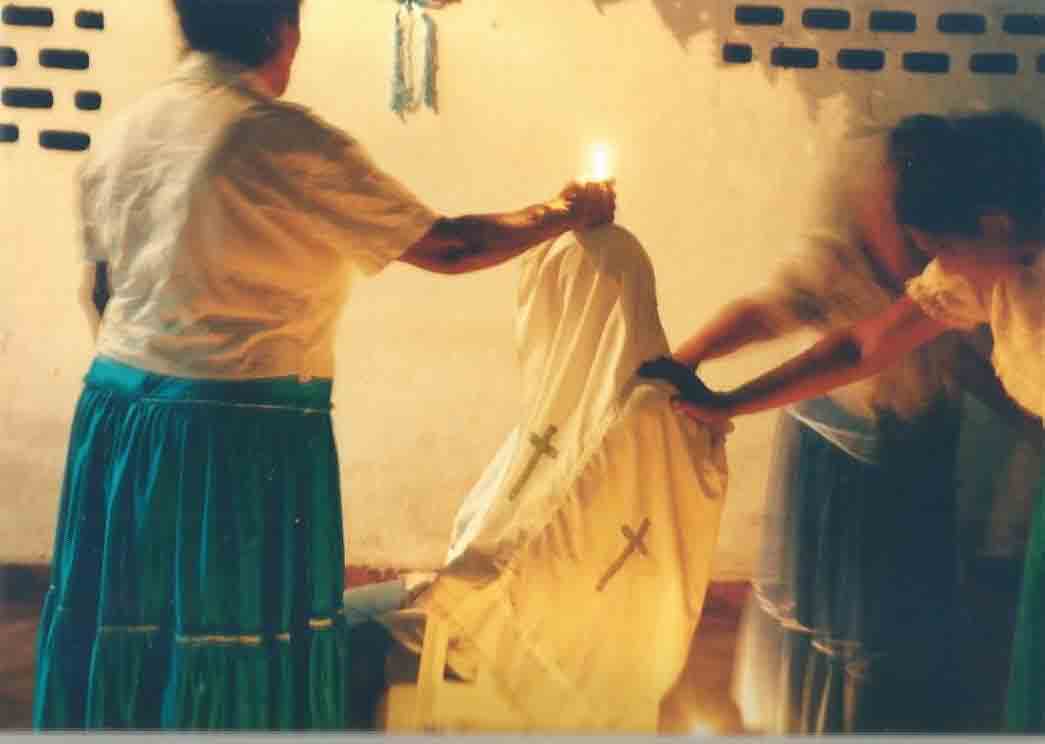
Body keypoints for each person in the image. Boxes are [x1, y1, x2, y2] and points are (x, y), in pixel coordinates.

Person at [31, 0, 614, 731]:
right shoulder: (276, 135)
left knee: (135, 625)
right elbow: (449, 247)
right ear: (282, 30)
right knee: (234, 630)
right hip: (235, 429)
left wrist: (156, 374)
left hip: (116, 419)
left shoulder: (125, 131)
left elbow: (100, 291)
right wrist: (565, 211)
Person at [647, 114, 1031, 734]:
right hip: (854, 456)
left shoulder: (986, 269)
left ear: (994, 221)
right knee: (859, 612)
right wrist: (709, 385)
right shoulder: (902, 270)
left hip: (914, 449)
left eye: (940, 245)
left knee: (903, 614)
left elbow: (977, 362)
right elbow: (848, 341)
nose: (934, 262)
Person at [345, 225, 730, 732]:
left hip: (493, 650)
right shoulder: (662, 410)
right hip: (587, 660)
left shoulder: (611, 427)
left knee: (331, 637)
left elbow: (529, 564)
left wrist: (445, 596)